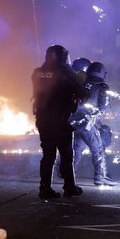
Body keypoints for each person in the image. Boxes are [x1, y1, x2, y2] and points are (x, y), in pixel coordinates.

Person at [32, 44, 87, 198]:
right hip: (61, 120)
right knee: (66, 155)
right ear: (62, 56)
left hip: (42, 120)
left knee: (48, 154)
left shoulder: (38, 72)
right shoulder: (66, 72)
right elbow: (82, 93)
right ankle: (69, 187)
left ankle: (44, 188)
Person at [69, 62, 119, 186]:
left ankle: (70, 176)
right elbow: (103, 108)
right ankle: (100, 177)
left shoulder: (82, 84)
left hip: (75, 123)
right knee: (98, 150)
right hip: (89, 125)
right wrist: (106, 113)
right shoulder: (102, 86)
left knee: (76, 151)